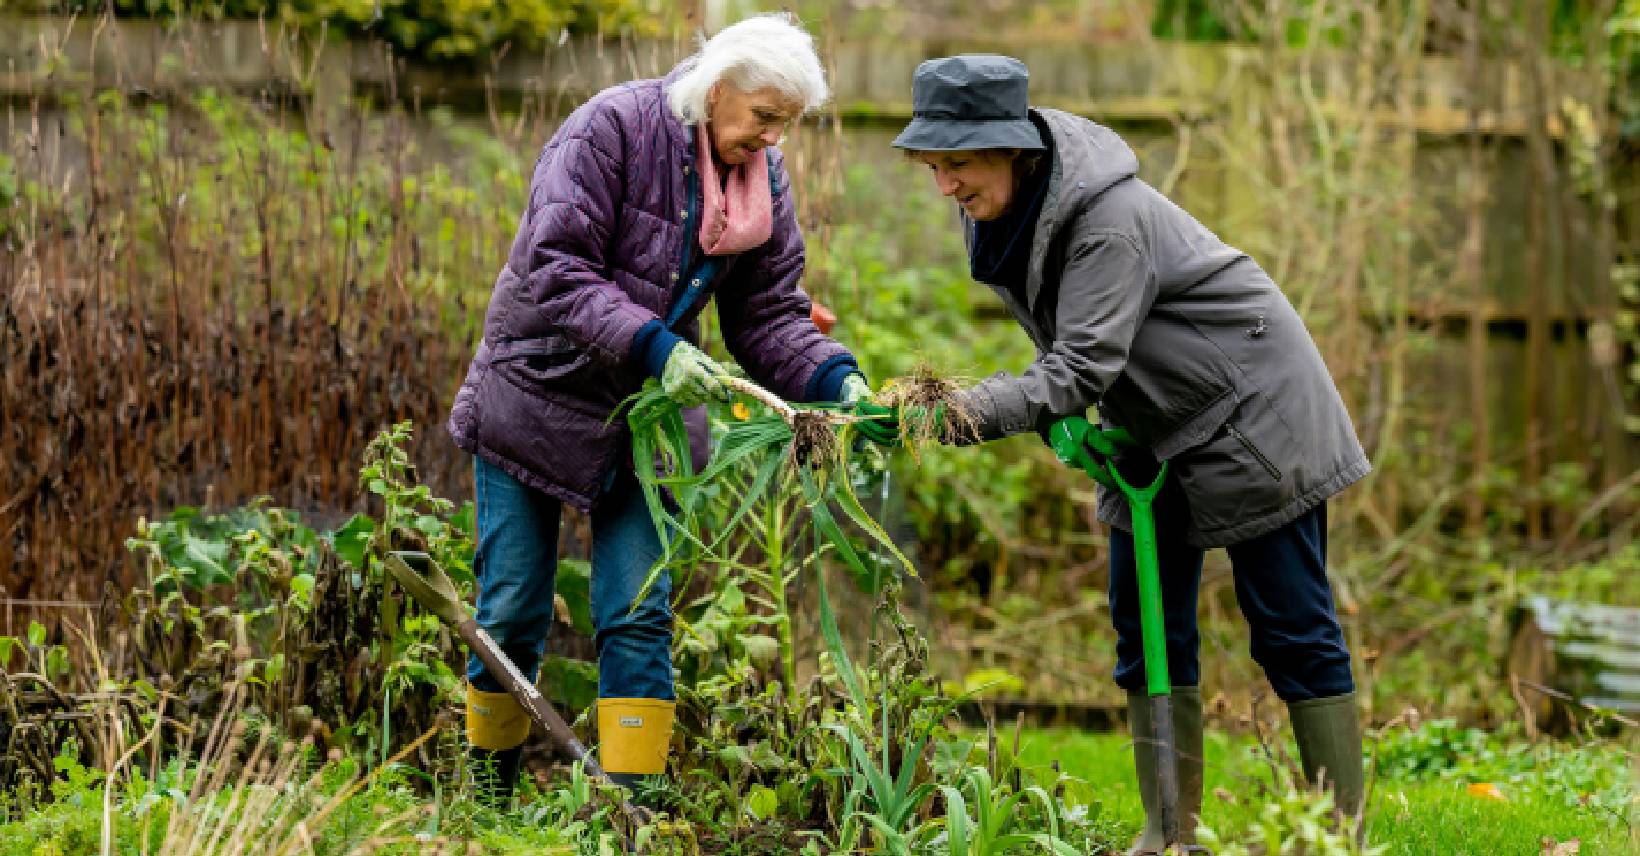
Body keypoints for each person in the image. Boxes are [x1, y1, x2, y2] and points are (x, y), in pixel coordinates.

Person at [863, 54, 1370, 852]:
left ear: (1012, 148)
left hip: (1255, 414)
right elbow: (1076, 354)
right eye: (933, 166)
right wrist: (1057, 414)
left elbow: (1078, 365)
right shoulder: (1004, 212)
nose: (944, 187)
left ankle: (1340, 838)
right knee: (1146, 628)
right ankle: (1168, 834)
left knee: (1290, 628)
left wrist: (958, 411)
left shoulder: (1107, 220)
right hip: (1153, 425)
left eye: (956, 164)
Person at [446, 12, 871, 803]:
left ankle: (626, 811)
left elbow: (769, 316)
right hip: (537, 391)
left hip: (649, 418)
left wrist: (836, 379)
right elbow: (557, 266)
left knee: (637, 611)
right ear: (717, 90)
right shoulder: (610, 129)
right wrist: (658, 346)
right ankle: (488, 797)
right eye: (765, 118)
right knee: (510, 607)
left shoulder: (759, 180)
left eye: (787, 125)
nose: (774, 141)